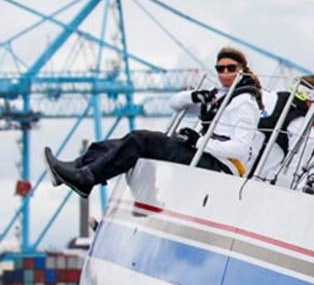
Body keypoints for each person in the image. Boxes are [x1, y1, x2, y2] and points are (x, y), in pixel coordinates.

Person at [45, 46, 265, 197]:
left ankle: (86, 179)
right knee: (119, 144)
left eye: (231, 68)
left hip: (220, 165)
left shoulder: (244, 103)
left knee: (139, 140)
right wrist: (194, 96)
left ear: (242, 70)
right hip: (204, 153)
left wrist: (199, 142)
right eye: (220, 68)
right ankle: (75, 169)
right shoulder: (219, 95)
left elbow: (240, 148)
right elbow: (174, 103)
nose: (224, 73)